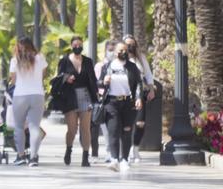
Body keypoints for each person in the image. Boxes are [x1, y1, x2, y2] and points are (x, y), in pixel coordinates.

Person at [99, 40, 143, 172]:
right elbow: (99, 83)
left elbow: (139, 83)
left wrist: (139, 98)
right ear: (115, 52)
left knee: (126, 131)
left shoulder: (132, 67)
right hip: (111, 102)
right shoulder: (107, 66)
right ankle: (114, 159)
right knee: (113, 130)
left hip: (128, 102)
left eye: (125, 50)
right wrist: (103, 81)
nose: (123, 52)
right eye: (120, 50)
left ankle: (124, 159)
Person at [56, 37, 97, 167]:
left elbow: (93, 79)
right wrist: (66, 78)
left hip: (85, 95)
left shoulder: (88, 61)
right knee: (72, 129)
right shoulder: (64, 61)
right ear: (71, 46)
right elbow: (59, 77)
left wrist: (95, 95)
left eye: (80, 44)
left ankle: (85, 157)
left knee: (85, 128)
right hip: (70, 96)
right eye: (75, 44)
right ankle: (69, 149)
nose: (78, 46)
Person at [9, 37, 47, 167]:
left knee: (19, 127)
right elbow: (43, 74)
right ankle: (33, 158)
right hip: (37, 95)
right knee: (34, 126)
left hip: (20, 95)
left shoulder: (15, 61)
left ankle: (21, 156)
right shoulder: (40, 58)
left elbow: (13, 80)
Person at [122, 35, 156, 161]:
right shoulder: (120, 58)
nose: (130, 47)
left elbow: (148, 74)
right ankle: (124, 150)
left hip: (139, 91)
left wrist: (151, 89)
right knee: (126, 124)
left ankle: (135, 149)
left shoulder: (140, 58)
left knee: (140, 122)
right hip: (124, 91)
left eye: (132, 44)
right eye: (128, 44)